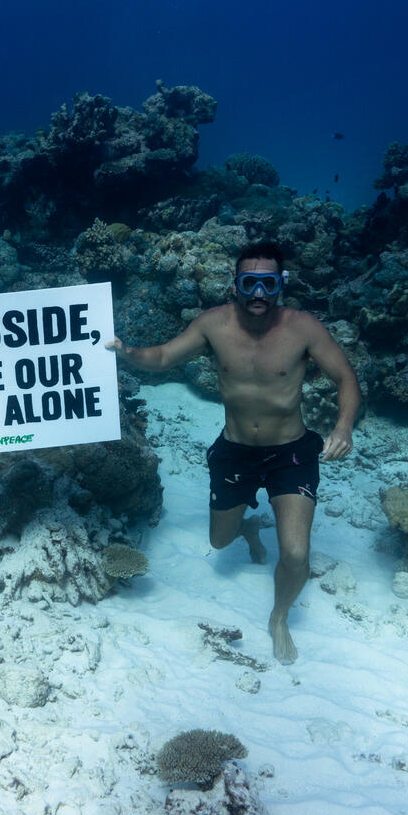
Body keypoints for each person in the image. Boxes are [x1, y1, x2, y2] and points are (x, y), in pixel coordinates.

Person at [109, 241, 361, 663]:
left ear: (280, 284)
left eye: (267, 283)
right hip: (235, 452)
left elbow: (345, 377)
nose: (258, 294)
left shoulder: (304, 328)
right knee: (219, 540)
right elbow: (165, 356)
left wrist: (343, 425)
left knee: (296, 552)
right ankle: (246, 526)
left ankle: (279, 617)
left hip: (291, 453)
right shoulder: (213, 325)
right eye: (249, 283)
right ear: (235, 285)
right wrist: (127, 353)